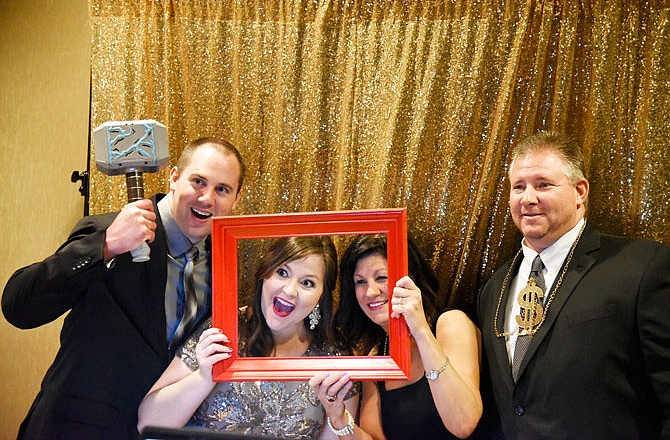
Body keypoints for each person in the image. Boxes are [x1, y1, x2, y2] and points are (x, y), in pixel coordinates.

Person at [2, 136, 245, 439]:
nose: (207, 198)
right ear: (174, 177)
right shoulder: (110, 232)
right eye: (198, 181)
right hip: (75, 427)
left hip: (154, 431)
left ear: (236, 197)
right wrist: (105, 246)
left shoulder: (226, 262)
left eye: (222, 189)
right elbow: (19, 307)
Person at [476, 131, 670, 439]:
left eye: (543, 185)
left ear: (580, 191)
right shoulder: (494, 289)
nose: (528, 198)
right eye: (518, 187)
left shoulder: (642, 267)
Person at [137, 236, 359, 439]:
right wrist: (204, 377)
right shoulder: (225, 328)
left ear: (321, 296)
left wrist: (338, 417)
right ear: (265, 273)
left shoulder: (334, 356)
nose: (290, 290)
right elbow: (148, 421)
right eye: (282, 272)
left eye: (307, 282)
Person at [310, 235, 482, 440]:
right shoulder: (376, 355)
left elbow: (463, 424)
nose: (371, 291)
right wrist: (338, 417)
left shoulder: (450, 324)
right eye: (360, 282)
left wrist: (420, 330)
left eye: (381, 277)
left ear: (409, 278)